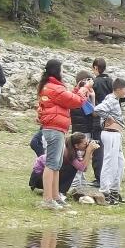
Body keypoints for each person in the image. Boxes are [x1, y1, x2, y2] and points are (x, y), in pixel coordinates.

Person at [36, 59, 90, 210]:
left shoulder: (49, 86)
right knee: (52, 164)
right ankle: (48, 199)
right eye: (61, 70)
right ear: (56, 71)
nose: (63, 72)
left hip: (55, 128)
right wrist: (83, 90)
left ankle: (55, 196)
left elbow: (66, 99)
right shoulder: (54, 88)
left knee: (56, 164)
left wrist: (76, 90)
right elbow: (76, 101)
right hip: (54, 128)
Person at [94, 77, 125, 205]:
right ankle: (105, 191)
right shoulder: (111, 99)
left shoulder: (115, 99)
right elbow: (98, 109)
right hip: (110, 133)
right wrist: (108, 117)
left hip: (116, 133)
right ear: (118, 89)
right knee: (110, 162)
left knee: (120, 163)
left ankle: (115, 190)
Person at [28, 132, 98, 198]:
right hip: (37, 180)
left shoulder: (73, 151)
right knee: (71, 168)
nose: (87, 145)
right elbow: (82, 168)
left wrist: (90, 151)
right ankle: (60, 191)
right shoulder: (67, 152)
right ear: (76, 145)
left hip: (41, 178)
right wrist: (89, 151)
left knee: (71, 167)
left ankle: (58, 191)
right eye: (85, 143)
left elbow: (84, 168)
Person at [88, 57, 116, 187]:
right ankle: (109, 176)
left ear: (95, 68)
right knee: (110, 149)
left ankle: (99, 178)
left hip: (97, 118)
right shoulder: (111, 82)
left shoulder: (95, 82)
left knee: (97, 148)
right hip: (111, 119)